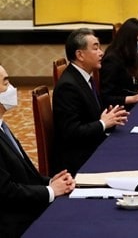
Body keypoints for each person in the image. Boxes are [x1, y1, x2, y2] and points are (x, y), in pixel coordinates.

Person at [0, 65, 75, 237]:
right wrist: (50, 191)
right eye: (6, 83)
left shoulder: (3, 126)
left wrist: (49, 183)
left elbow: (23, 174)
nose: (12, 89)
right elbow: (6, 191)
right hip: (13, 223)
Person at [52, 28, 129, 176]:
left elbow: (90, 115)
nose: (101, 52)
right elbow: (71, 132)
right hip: (79, 160)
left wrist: (111, 117)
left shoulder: (85, 77)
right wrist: (103, 123)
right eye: (95, 48)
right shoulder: (68, 86)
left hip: (92, 145)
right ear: (80, 55)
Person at [100, 18, 138, 108]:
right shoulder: (112, 60)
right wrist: (131, 99)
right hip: (122, 109)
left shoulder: (132, 54)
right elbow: (106, 97)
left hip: (137, 103)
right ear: (128, 41)